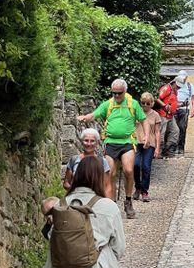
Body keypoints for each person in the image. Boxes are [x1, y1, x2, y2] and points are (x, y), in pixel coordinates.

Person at [78, 79, 149, 220]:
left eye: (119, 93)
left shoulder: (132, 104)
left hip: (128, 141)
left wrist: (146, 136)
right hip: (111, 142)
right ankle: (111, 203)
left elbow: (144, 120)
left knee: (129, 170)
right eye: (114, 93)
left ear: (125, 91)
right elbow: (95, 114)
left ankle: (128, 201)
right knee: (109, 173)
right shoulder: (108, 104)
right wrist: (85, 117)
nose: (116, 96)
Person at [63, 127, 111, 197]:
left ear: (97, 143)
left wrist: (106, 202)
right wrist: (76, 192)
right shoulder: (74, 160)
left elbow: (107, 186)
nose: (89, 144)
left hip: (96, 200)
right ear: (82, 141)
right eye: (86, 140)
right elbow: (66, 183)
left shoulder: (102, 162)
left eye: (92, 141)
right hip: (76, 199)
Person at [133, 92, 161, 202]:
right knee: (135, 165)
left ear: (152, 103)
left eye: (148, 103)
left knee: (146, 167)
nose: (145, 105)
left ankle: (144, 191)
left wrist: (158, 148)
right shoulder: (136, 112)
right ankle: (138, 187)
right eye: (143, 103)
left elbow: (157, 132)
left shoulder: (155, 115)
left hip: (150, 144)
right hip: (136, 142)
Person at [155, 75, 180, 157]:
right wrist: (164, 105)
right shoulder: (166, 88)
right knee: (161, 133)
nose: (179, 87)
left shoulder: (175, 91)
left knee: (175, 131)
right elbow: (156, 98)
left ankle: (170, 151)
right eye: (178, 86)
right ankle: (158, 152)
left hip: (170, 115)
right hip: (162, 114)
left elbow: (173, 103)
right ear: (174, 83)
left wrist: (182, 104)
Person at [174, 70, 194, 156]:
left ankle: (180, 148)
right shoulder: (174, 84)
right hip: (174, 108)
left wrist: (193, 109)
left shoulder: (189, 86)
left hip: (184, 109)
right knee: (174, 129)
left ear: (186, 77)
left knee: (182, 128)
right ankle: (173, 148)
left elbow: (193, 98)